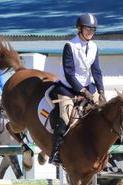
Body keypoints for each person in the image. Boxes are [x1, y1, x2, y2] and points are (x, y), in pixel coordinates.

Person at [48, 13, 106, 166]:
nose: (90, 32)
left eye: (93, 30)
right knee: (65, 117)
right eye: (88, 29)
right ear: (80, 28)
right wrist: (82, 91)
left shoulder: (94, 46)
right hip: (68, 88)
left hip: (88, 86)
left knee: (102, 113)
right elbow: (69, 73)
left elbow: (96, 70)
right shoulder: (70, 46)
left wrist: (101, 91)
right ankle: (54, 153)